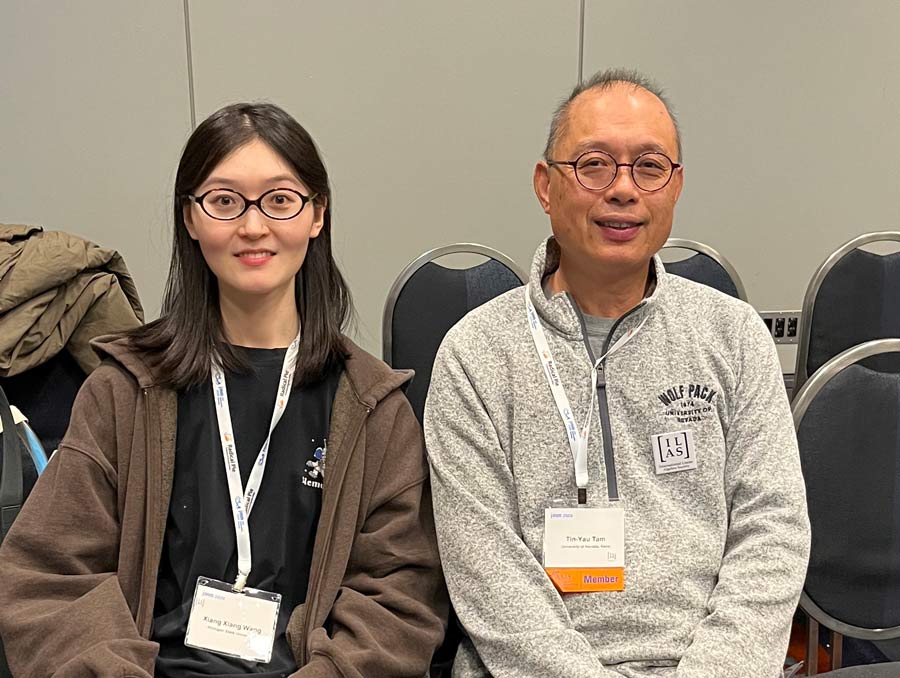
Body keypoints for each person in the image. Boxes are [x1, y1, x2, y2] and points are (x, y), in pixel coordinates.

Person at [0, 102, 447, 677]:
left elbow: (399, 601)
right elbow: (48, 577)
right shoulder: (121, 393)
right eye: (224, 201)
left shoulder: (372, 408)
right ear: (190, 217)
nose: (253, 226)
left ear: (317, 215)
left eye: (280, 200)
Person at [424, 69, 810, 678]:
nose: (624, 190)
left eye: (650, 166)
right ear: (545, 186)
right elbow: (485, 572)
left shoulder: (733, 335)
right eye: (595, 165)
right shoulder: (476, 354)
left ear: (676, 187)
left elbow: (773, 530)